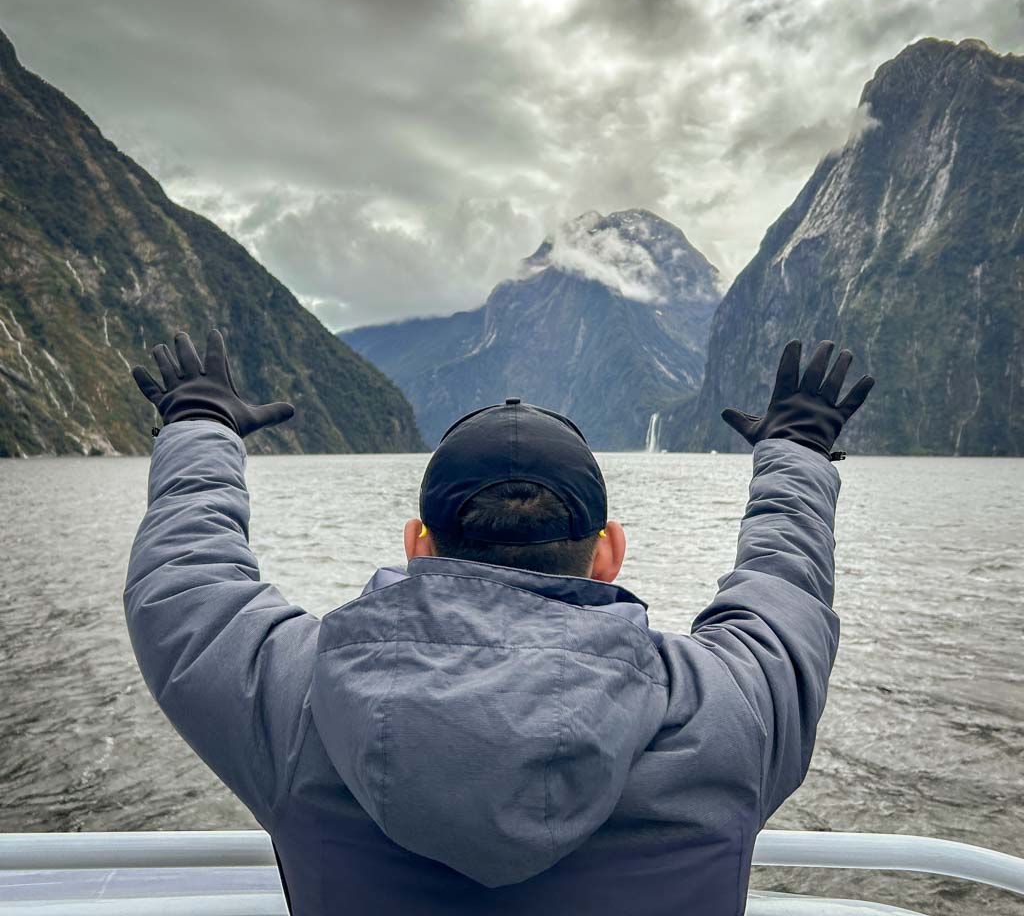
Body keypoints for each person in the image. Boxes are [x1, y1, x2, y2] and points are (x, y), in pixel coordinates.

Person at [127, 330, 874, 916]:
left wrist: (201, 426)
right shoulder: (729, 713)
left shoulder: (298, 708)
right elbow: (786, 586)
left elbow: (186, 582)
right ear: (609, 552)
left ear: (418, 547)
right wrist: (797, 451)